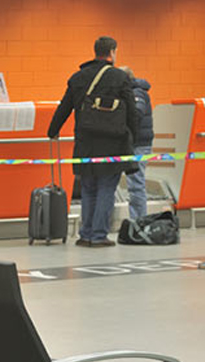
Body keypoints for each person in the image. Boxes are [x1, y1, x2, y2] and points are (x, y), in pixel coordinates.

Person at [47, 36, 140, 247]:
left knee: (88, 188)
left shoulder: (78, 77)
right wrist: (132, 138)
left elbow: (64, 107)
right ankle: (98, 235)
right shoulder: (120, 77)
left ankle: (86, 234)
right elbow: (131, 112)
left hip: (85, 143)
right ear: (112, 52)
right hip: (112, 143)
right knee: (106, 188)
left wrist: (52, 131)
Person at [121, 67, 155, 220]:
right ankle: (137, 219)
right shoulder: (134, 92)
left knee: (135, 185)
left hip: (139, 144)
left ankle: (139, 221)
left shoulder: (137, 93)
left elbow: (137, 114)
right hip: (135, 143)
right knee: (134, 184)